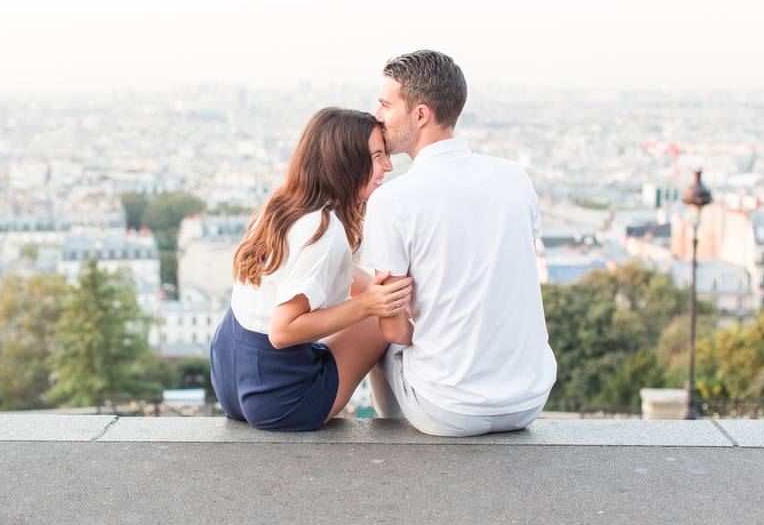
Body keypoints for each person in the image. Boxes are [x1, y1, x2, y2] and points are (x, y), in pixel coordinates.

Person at [363, 50, 557, 437]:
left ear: (420, 115)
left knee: (372, 325)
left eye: (385, 104)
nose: (378, 116)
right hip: (528, 401)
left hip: (447, 410)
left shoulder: (394, 199)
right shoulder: (514, 177)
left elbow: (396, 331)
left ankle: (393, 433)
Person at [210, 107, 413, 431]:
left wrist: (377, 291)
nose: (388, 166)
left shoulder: (281, 205)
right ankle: (396, 424)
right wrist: (368, 306)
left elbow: (337, 274)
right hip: (280, 396)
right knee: (382, 323)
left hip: (228, 373)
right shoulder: (323, 230)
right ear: (345, 162)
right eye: (377, 156)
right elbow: (283, 332)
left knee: (380, 309)